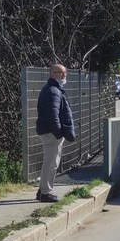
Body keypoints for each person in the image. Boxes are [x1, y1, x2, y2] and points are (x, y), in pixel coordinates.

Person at [36, 64, 76, 203]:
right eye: (60, 73)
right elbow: (53, 115)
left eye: (65, 73)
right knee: (51, 162)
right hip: (51, 133)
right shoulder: (53, 91)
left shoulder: (54, 89)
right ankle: (46, 192)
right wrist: (58, 133)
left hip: (49, 131)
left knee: (51, 161)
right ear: (52, 74)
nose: (64, 75)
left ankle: (42, 190)